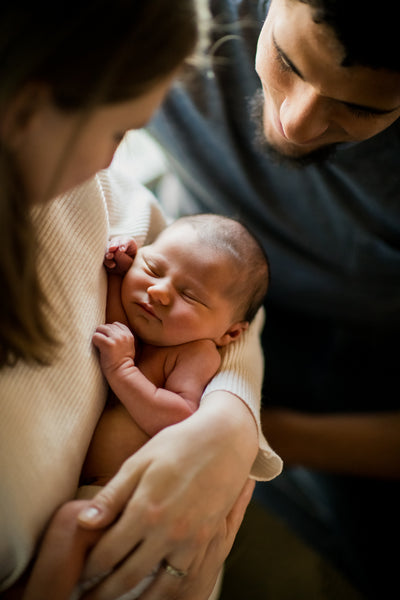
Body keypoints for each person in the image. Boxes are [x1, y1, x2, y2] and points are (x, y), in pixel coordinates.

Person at [0, 2, 283, 599]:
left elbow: (234, 326)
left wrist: (229, 423)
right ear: (25, 106)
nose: (111, 160)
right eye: (114, 131)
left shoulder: (86, 191)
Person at [148, 0, 400, 598]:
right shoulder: (175, 21)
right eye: (287, 62)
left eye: (359, 108)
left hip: (365, 378)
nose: (297, 122)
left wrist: (252, 433)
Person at [23, 214, 270, 600]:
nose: (159, 292)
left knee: (72, 526)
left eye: (190, 296)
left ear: (230, 333)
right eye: (153, 268)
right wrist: (121, 267)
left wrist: (122, 369)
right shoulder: (153, 329)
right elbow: (115, 321)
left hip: (139, 517)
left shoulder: (194, 353)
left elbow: (179, 416)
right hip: (106, 504)